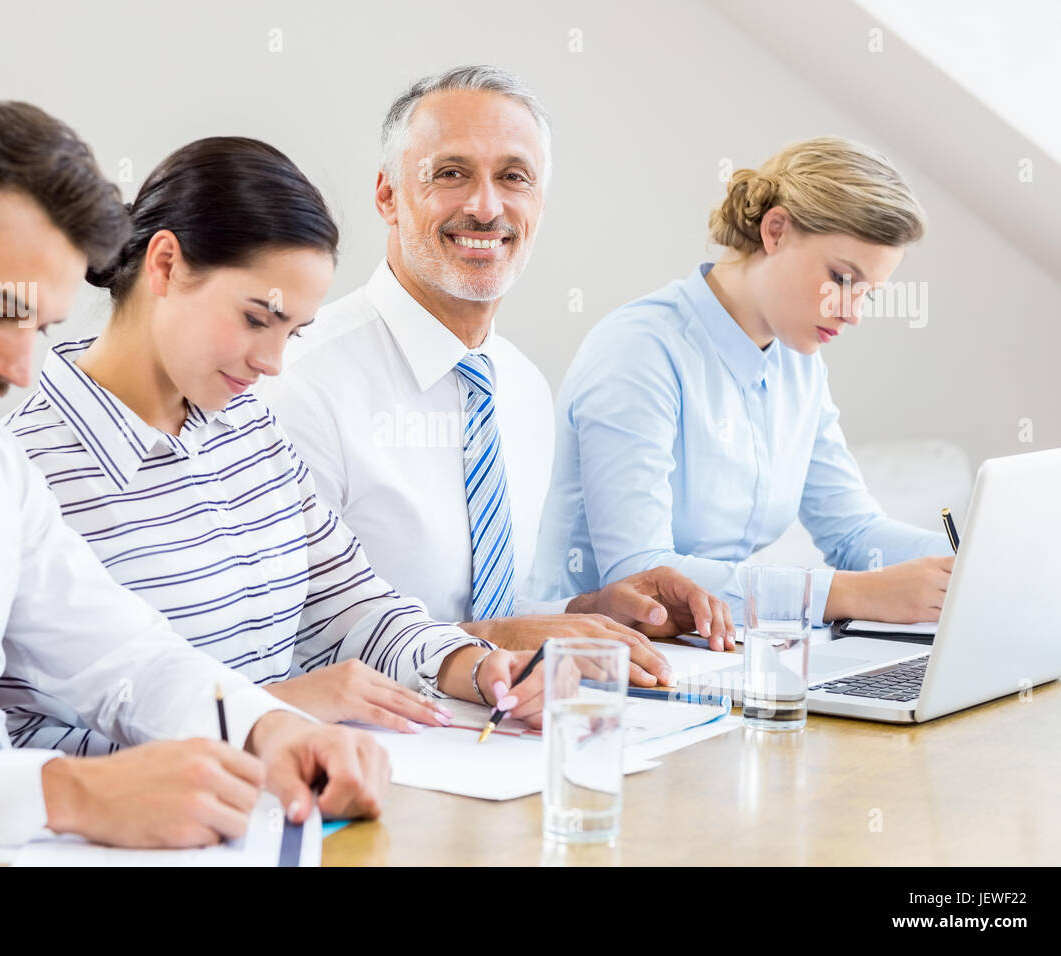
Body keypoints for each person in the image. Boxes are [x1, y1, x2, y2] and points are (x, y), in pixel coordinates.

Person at [0, 92, 388, 852]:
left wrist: (268, 728)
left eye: (39, 326)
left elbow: (120, 653)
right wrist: (56, 791)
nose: (20, 369)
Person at [0, 136, 544, 754]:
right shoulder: (27, 474)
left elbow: (353, 607)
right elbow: (16, 744)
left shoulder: (250, 432)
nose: (274, 362)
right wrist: (267, 719)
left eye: (293, 331)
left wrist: (478, 669)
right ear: (167, 265)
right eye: (258, 319)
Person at [264, 65, 735, 690]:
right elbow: (285, 641)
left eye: (514, 177)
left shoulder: (521, 387)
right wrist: (500, 641)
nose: (486, 208)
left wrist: (584, 615)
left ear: (539, 202)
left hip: (509, 737)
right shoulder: (298, 378)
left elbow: (493, 615)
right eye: (451, 173)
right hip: (362, 753)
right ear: (387, 197)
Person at [532, 137, 955, 628]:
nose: (853, 313)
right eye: (841, 278)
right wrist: (854, 594)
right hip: (590, 663)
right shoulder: (640, 351)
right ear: (775, 230)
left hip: (713, 654)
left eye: (869, 295)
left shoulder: (798, 363)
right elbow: (640, 577)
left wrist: (969, 560)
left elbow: (853, 532)